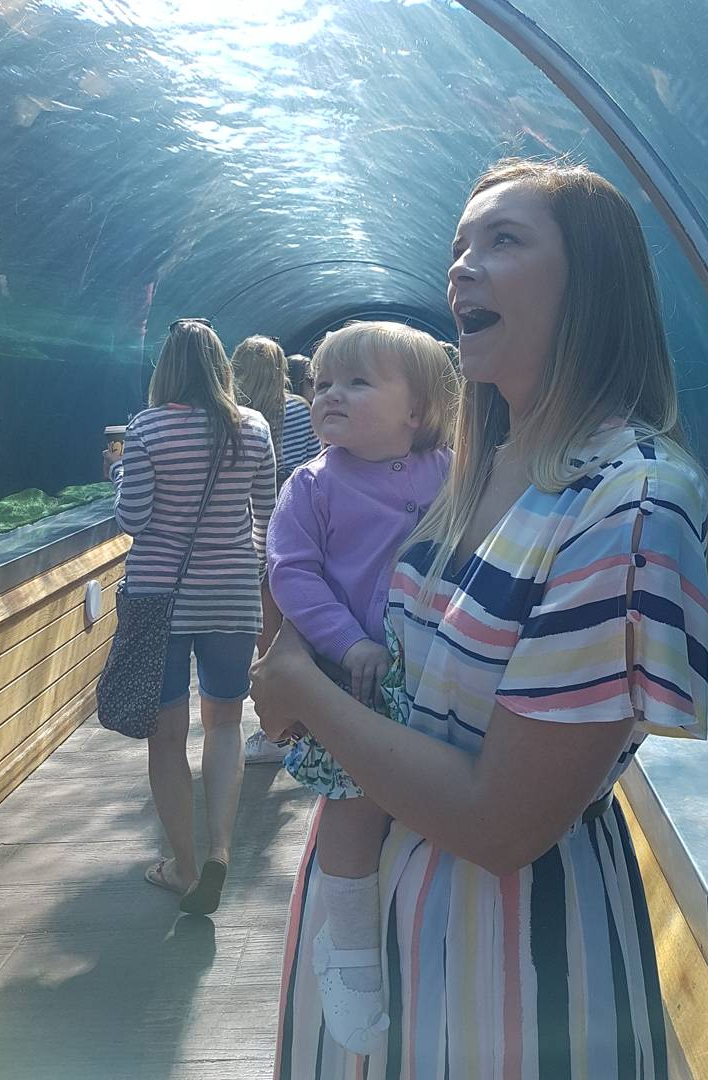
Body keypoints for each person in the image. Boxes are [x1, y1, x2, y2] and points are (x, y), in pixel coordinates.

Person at [251, 159, 708, 1077]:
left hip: (508, 970)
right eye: (458, 245)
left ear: (591, 282)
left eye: (503, 240)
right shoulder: (476, 464)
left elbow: (502, 825)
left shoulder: (630, 503)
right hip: (377, 921)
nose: (461, 265)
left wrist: (301, 685)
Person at [265, 320, 455, 1051]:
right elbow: (291, 574)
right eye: (321, 383)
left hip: (437, 672)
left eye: (357, 382)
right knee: (352, 806)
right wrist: (348, 643)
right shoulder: (312, 484)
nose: (329, 395)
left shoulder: (451, 471)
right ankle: (347, 952)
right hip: (356, 680)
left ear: (417, 410)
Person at [109, 318, 276, 915]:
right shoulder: (252, 427)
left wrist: (120, 470)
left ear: (168, 368)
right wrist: (241, 562)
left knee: (167, 736)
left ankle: (182, 866)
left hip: (161, 599)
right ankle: (221, 851)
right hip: (232, 594)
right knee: (225, 723)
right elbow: (267, 513)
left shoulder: (146, 428)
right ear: (220, 365)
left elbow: (133, 519)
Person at [230, 337, 322, 765]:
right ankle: (304, 723)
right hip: (296, 526)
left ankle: (275, 730)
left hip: (249, 534)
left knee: (264, 637)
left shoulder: (234, 416)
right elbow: (314, 464)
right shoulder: (300, 410)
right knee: (297, 630)